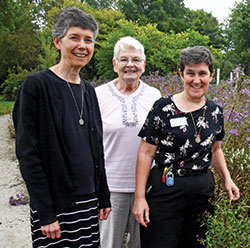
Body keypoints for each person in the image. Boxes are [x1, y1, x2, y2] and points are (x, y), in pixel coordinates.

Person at [12, 7, 111, 248]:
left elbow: (96, 147)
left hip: (88, 204)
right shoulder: (36, 86)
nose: (82, 46)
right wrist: (45, 211)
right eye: (74, 38)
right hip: (55, 205)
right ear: (57, 41)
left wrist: (103, 195)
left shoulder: (88, 90)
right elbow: (28, 154)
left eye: (89, 40)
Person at [132, 46, 240, 248]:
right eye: (190, 73)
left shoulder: (216, 111)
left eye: (202, 73)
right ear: (181, 74)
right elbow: (146, 153)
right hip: (166, 188)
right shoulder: (162, 108)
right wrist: (139, 197)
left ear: (211, 75)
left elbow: (215, 149)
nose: (196, 80)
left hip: (201, 190)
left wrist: (227, 179)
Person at [96, 36, 161, 248]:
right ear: (115, 64)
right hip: (111, 188)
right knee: (108, 244)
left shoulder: (154, 96)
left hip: (147, 187)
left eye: (135, 59)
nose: (130, 65)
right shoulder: (98, 95)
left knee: (141, 244)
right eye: (124, 59)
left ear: (144, 63)